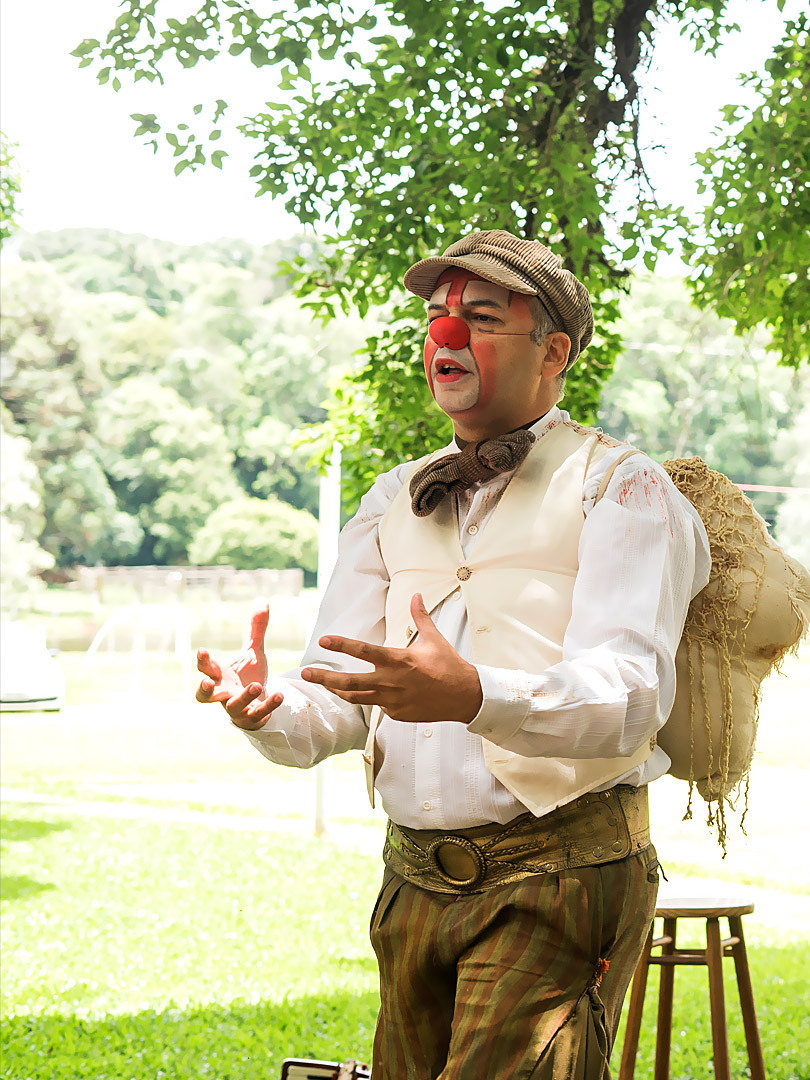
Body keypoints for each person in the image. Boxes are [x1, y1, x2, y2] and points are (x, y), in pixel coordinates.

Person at [194, 230, 710, 1078]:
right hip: (411, 881)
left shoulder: (622, 485)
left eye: (481, 317)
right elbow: (342, 699)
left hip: (560, 875)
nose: (446, 334)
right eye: (436, 315)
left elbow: (630, 698)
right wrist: (270, 707)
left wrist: (477, 695)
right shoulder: (392, 497)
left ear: (554, 353)